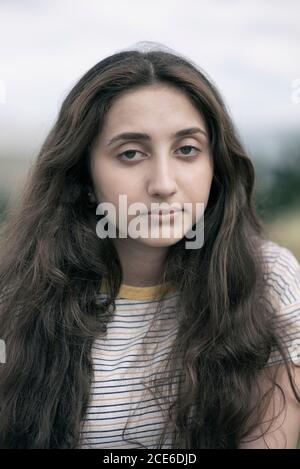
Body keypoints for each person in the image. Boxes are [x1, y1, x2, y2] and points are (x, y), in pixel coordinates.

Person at [0, 42, 299, 449]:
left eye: (187, 150)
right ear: (84, 177)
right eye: (130, 153)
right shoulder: (13, 293)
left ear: (216, 167)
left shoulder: (269, 282)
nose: (162, 183)